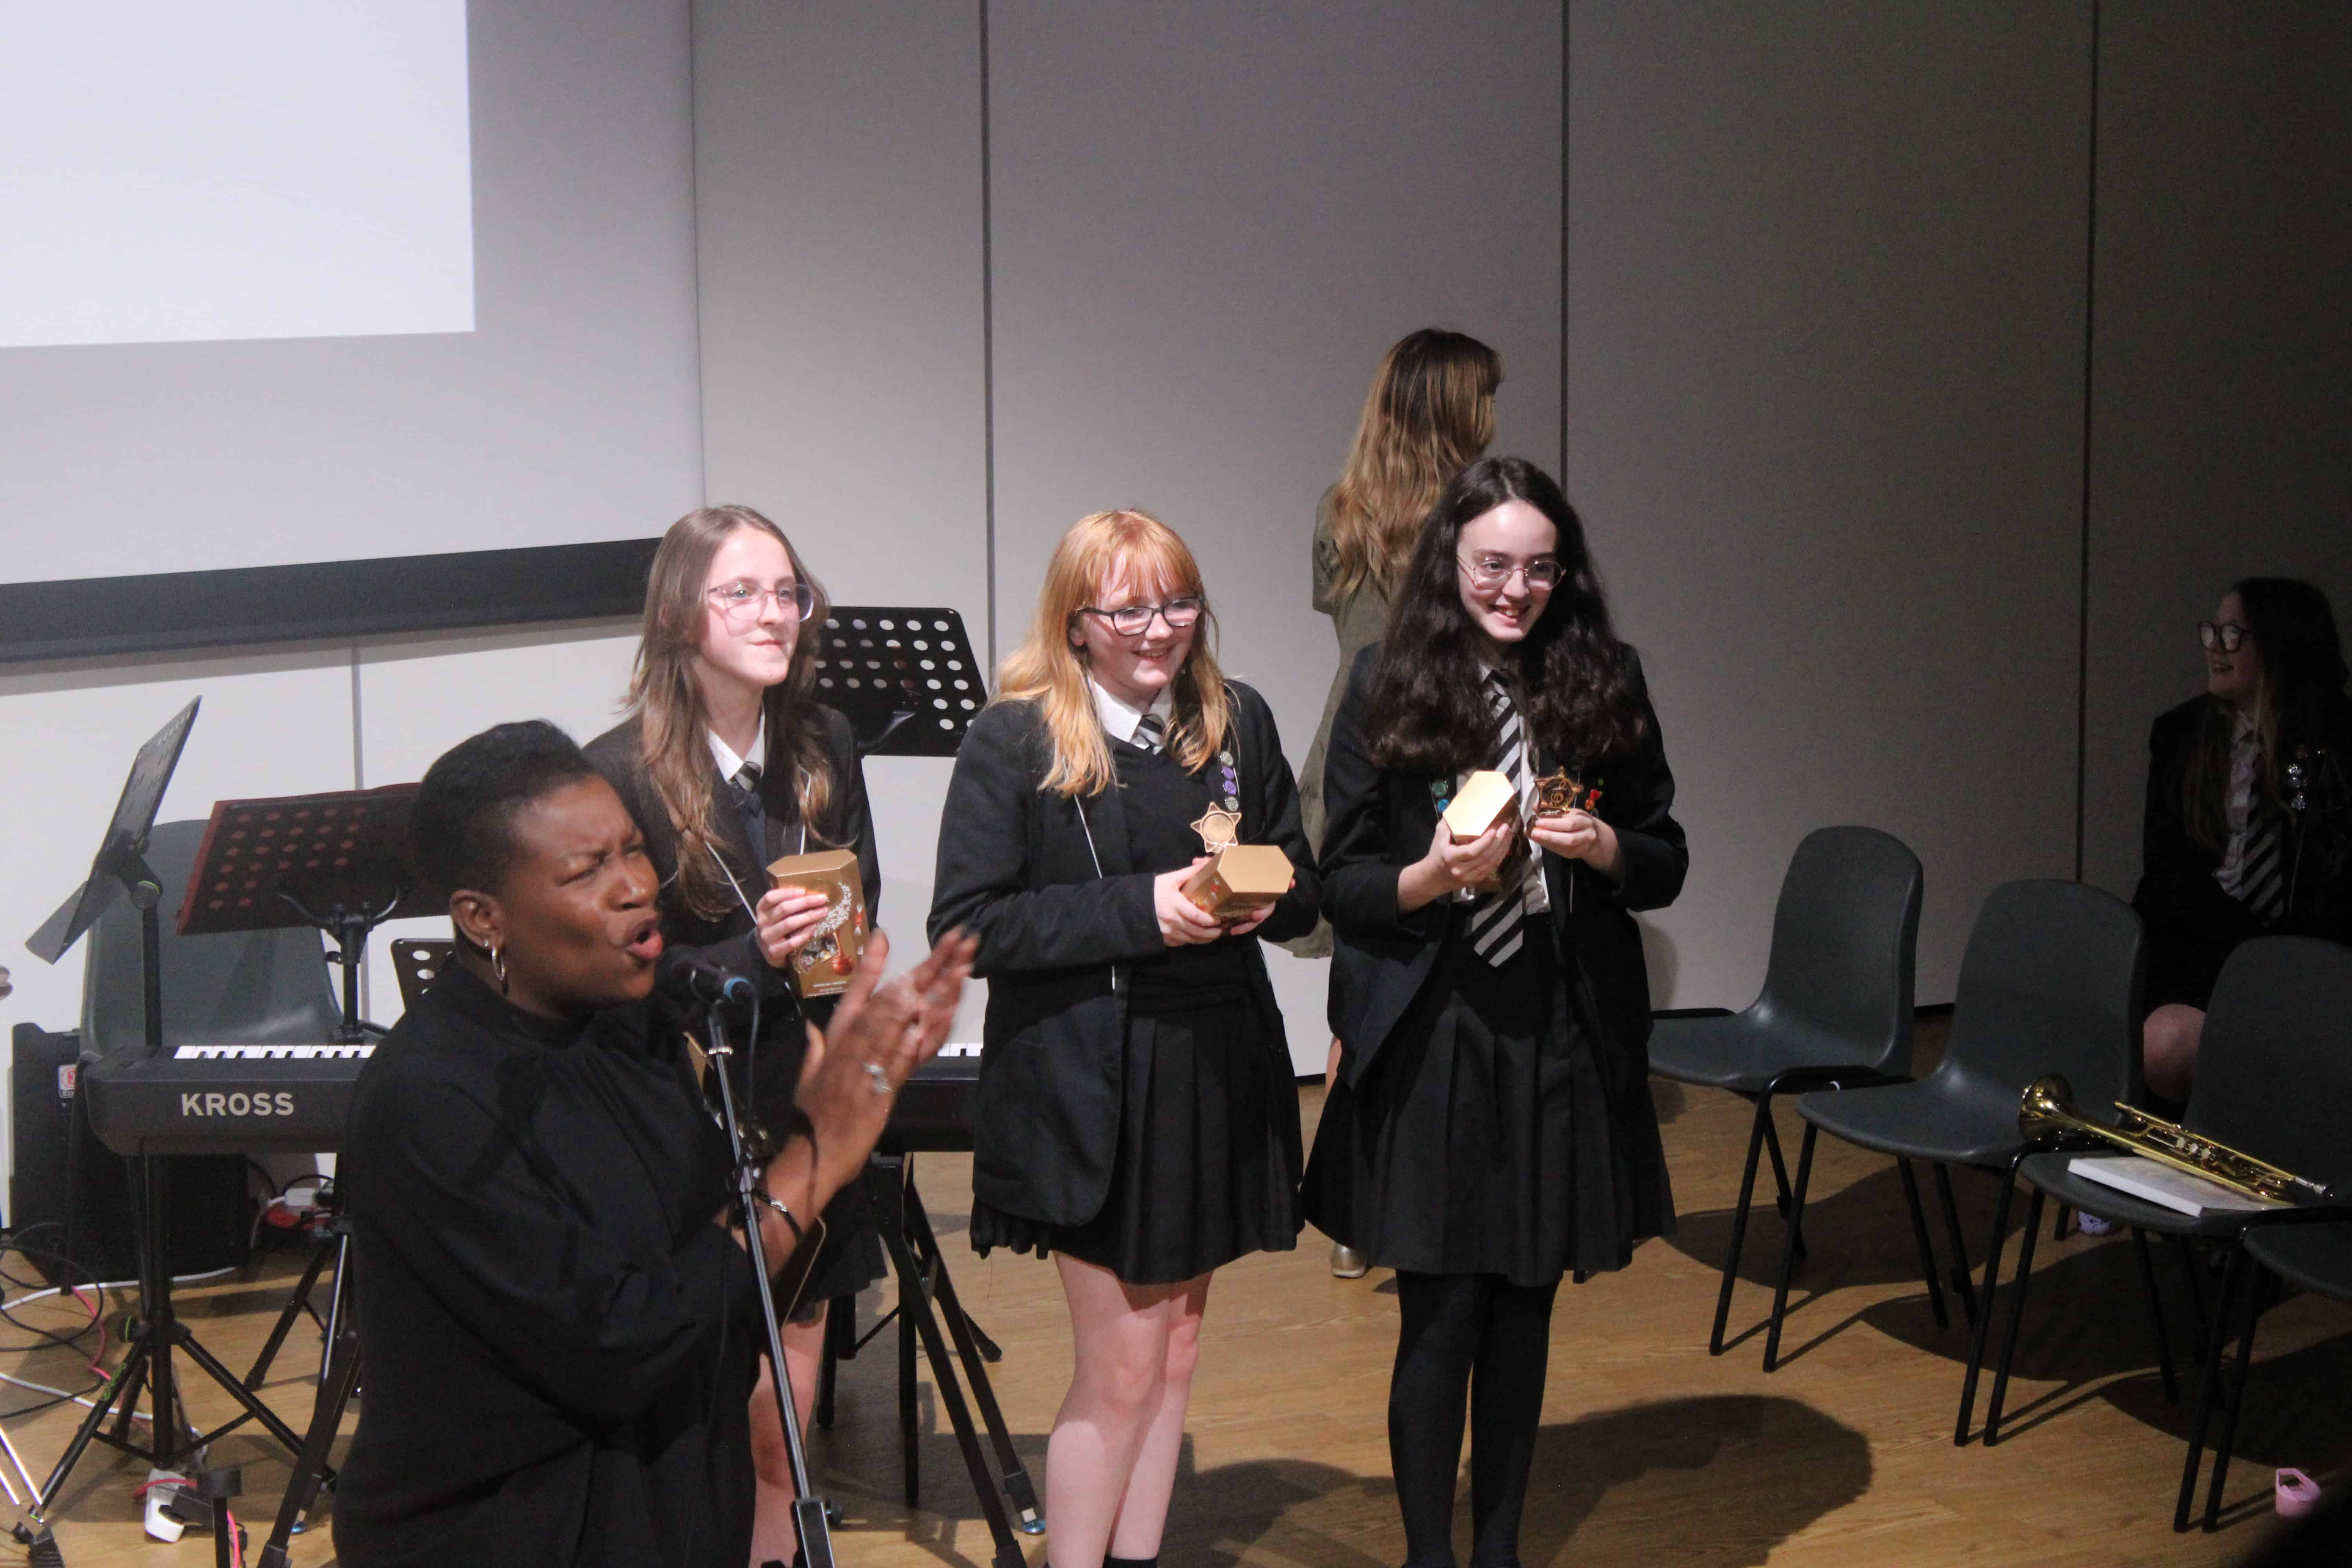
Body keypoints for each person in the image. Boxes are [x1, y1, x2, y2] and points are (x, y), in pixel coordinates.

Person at [335, 720, 975, 1568]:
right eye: (587, 869)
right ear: (482, 917)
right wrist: (813, 1156)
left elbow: (710, 1271)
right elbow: (623, 1342)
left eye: (634, 850)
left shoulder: (625, 1025)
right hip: (507, 1533)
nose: (637, 885)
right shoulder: (432, 1098)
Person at [1302, 456, 1685, 1568]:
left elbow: (1664, 857)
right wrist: (1430, 877)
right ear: (1449, 565)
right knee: (1442, 1311)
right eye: (1491, 566)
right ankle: (1431, 1555)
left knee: (1527, 1305)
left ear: (1563, 574)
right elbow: (1343, 884)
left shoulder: (1604, 677)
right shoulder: (1389, 680)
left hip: (1560, 1030)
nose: (1514, 590)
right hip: (1437, 1031)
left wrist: (1604, 847)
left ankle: (1501, 1549)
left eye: (1537, 569)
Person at [929, 509, 1320, 1568]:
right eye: (1131, 609)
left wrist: (1260, 894)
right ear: (1077, 622)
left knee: (1177, 1350)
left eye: (1178, 603)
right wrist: (1145, 911)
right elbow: (968, 925)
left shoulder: (1237, 719)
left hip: (1214, 1063)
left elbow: (1300, 881)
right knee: (1123, 1367)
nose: (1160, 629)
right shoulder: (1014, 739)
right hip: (1094, 1083)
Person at [583, 504, 886, 1565]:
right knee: (696, 1403)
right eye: (743, 593)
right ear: (678, 614)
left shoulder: (823, 742)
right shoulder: (615, 773)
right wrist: (747, 957)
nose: (776, 614)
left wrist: (851, 957)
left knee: (784, 1419)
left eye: (788, 592)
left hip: (796, 1106)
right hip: (676, 1120)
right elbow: (613, 979)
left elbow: (864, 898)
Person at [1289, 329, 1502, 1278]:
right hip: (1433, 747)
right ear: (1458, 407)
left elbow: (1335, 618)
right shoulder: (1474, 516)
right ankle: (1420, 1191)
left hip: (1349, 736)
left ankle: (1353, 1212)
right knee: (1421, 975)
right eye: (1484, 397)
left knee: (1359, 989)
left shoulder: (1343, 513)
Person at [2133, 578, 2352, 1103]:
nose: (2215, 648)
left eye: (2234, 635)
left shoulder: (2338, 742)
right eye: (2213, 632)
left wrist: (2286, 961)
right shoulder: (2181, 733)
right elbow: (2169, 870)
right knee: (2162, 1044)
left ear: (2281, 646)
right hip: (2203, 943)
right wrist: (2248, 950)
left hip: (2306, 955)